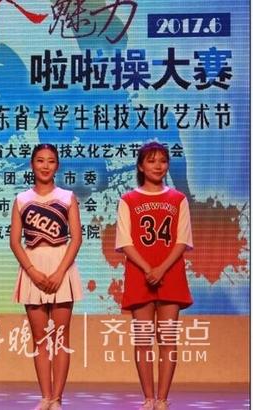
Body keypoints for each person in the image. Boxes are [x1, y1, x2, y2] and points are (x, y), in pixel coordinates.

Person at [115, 142, 193, 410]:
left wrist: (161, 269)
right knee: (143, 340)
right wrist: (148, 269)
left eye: (162, 161)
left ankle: (162, 399)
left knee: (168, 339)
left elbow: (182, 240)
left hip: (171, 275)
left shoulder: (178, 199)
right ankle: (148, 398)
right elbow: (125, 242)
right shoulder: (128, 200)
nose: (158, 166)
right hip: (140, 276)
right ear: (140, 166)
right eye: (151, 161)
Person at [10, 144, 83, 410]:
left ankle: (57, 398)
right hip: (33, 268)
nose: (45, 165)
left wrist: (60, 271)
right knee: (40, 338)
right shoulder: (21, 199)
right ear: (32, 164)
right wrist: (32, 271)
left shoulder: (67, 197)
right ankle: (45, 396)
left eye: (51, 161)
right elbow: (15, 242)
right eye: (40, 160)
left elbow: (76, 238)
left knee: (61, 337)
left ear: (57, 166)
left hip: (61, 265)